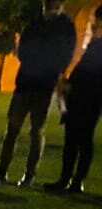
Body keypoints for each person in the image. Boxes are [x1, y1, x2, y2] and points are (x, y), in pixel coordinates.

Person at [0, 0, 77, 186]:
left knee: (36, 131)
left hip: (44, 85)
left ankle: (29, 175)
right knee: (12, 130)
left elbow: (65, 55)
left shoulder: (65, 26)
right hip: (25, 83)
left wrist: (45, 65)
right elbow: (22, 49)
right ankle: (1, 172)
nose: (48, 6)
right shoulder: (36, 22)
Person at [46, 6, 102, 194]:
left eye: (95, 20)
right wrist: (68, 83)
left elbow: (91, 73)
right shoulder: (94, 44)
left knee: (83, 140)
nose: (92, 23)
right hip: (78, 97)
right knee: (71, 140)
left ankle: (76, 181)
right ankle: (66, 179)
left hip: (91, 99)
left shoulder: (98, 46)